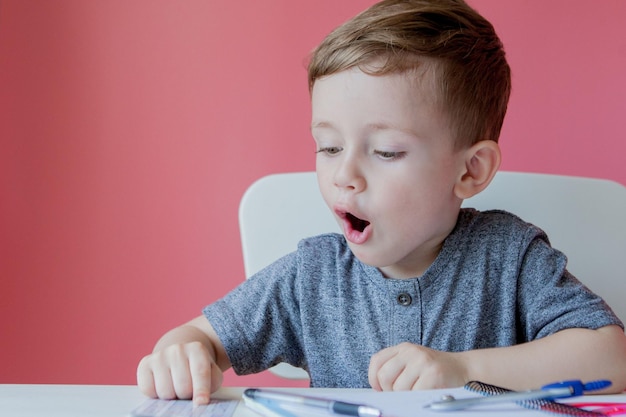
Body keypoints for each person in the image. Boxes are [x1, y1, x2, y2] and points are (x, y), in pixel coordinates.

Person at [137, 0, 626, 405]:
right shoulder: (312, 277)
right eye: (328, 147)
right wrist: (182, 355)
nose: (344, 175)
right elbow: (192, 338)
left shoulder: (510, 256)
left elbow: (612, 358)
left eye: (387, 151)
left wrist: (464, 368)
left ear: (470, 170)